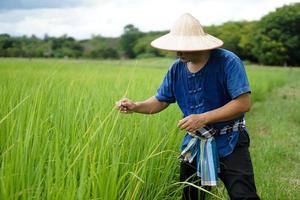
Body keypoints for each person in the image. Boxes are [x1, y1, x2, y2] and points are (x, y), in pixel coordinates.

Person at [116, 13, 260, 200]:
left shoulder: (227, 62)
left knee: (243, 195)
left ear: (198, 45)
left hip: (230, 138)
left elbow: (243, 103)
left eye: (183, 48)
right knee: (191, 195)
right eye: (176, 48)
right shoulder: (176, 69)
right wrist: (136, 106)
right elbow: (161, 100)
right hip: (195, 142)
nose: (178, 53)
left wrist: (203, 118)